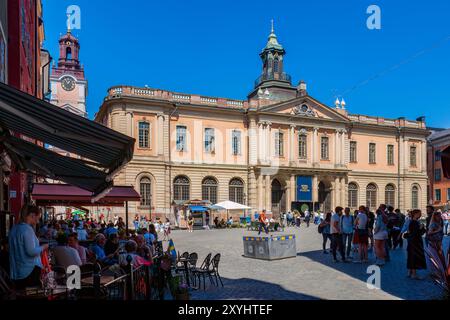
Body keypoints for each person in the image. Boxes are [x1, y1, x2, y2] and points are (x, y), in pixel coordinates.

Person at [9, 205, 49, 289]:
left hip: (17, 271)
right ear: (32, 215)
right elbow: (31, 252)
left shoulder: (14, 229)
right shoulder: (27, 229)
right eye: (38, 217)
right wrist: (43, 247)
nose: (38, 221)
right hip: (30, 271)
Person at [406, 209, 427, 279]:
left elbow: (411, 232)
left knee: (411, 257)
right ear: (415, 214)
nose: (420, 215)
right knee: (414, 257)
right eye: (419, 213)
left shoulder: (412, 221)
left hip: (412, 242)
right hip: (415, 243)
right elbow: (416, 233)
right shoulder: (415, 222)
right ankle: (413, 274)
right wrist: (421, 228)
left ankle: (410, 272)